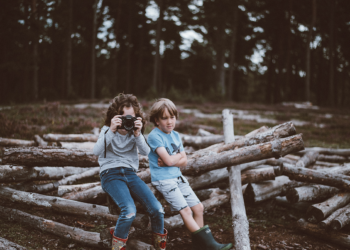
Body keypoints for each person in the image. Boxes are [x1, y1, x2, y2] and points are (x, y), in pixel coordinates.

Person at [147, 98, 232, 250]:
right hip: (164, 179)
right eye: (164, 118)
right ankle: (210, 245)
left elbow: (183, 161)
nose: (169, 122)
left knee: (198, 208)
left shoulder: (175, 135)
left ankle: (200, 246)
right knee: (185, 210)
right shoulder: (155, 136)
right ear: (156, 120)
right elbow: (172, 160)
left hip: (177, 177)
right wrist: (175, 158)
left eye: (172, 117)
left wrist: (173, 159)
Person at [93, 94, 167, 250]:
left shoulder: (134, 133)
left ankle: (159, 247)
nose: (127, 121)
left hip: (130, 174)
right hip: (110, 175)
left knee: (158, 209)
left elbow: (146, 152)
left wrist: (138, 134)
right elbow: (97, 150)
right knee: (129, 211)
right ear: (115, 116)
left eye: (131, 117)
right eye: (123, 117)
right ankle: (118, 246)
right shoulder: (107, 130)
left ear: (136, 118)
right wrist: (112, 130)